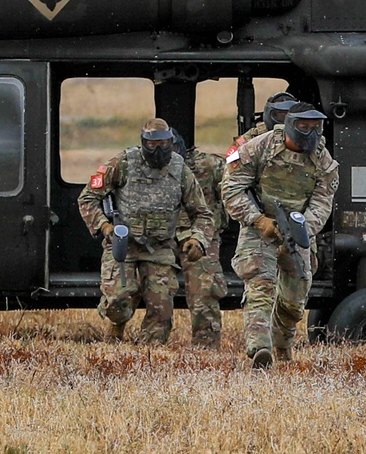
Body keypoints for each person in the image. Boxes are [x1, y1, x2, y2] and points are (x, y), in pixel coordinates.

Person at [222, 102, 339, 369]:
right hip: (259, 230)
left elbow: (322, 204)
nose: (310, 133)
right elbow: (231, 189)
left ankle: (283, 347)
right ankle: (259, 349)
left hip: (297, 234)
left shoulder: (324, 160)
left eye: (316, 127)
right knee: (260, 288)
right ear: (289, 125)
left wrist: (301, 233)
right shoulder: (258, 147)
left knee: (294, 302)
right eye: (303, 126)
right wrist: (258, 219)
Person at [77, 118, 213, 343]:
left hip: (160, 247)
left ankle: (148, 358)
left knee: (161, 313)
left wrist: (198, 239)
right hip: (123, 244)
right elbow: (88, 198)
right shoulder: (123, 162)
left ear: (171, 141)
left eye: (164, 143)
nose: (158, 149)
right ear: (143, 143)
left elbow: (202, 213)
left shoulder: (180, 170)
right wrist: (104, 225)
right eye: (152, 144)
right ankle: (116, 327)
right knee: (117, 301)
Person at [171, 128, 228, 348]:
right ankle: (147, 346)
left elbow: (235, 185)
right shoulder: (140, 167)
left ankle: (206, 347)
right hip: (159, 236)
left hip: (200, 233)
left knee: (205, 285)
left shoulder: (208, 165)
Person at [229, 91, 296, 150]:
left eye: (288, 114)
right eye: (281, 114)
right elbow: (232, 160)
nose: (284, 118)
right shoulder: (252, 136)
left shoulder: (301, 138)